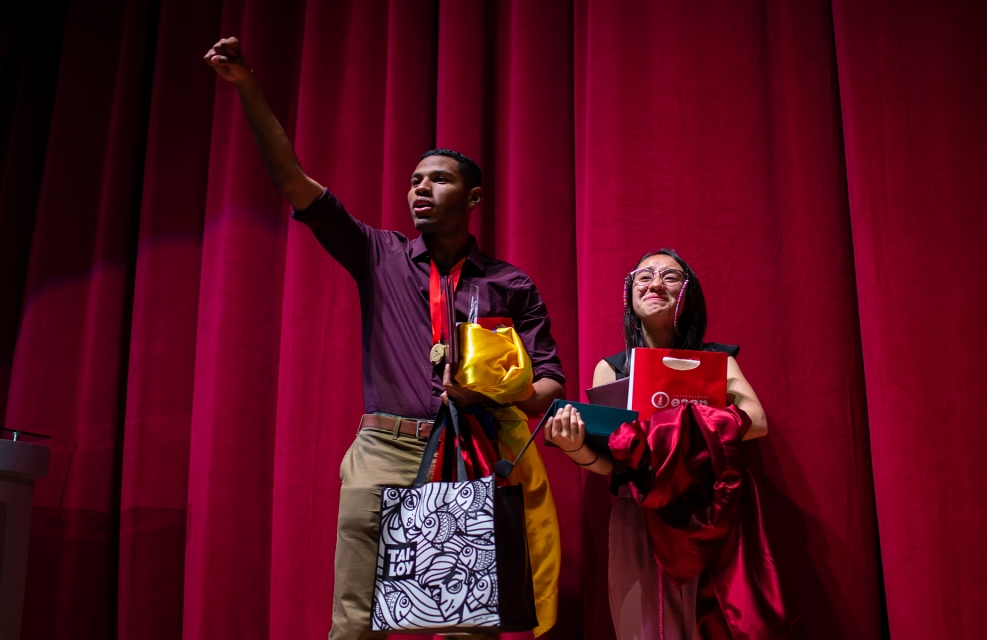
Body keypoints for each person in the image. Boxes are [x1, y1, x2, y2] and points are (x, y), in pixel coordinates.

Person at [204, 37, 567, 640]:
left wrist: (491, 393)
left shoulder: (510, 283)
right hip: (383, 451)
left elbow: (550, 387)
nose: (421, 189)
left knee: (467, 625)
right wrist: (247, 86)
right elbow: (292, 179)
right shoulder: (379, 255)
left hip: (470, 456)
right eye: (416, 180)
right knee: (354, 620)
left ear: (473, 199)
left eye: (440, 181)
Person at [544, 248, 772, 639]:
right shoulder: (612, 368)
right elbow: (607, 464)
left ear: (688, 294)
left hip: (705, 512)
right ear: (630, 293)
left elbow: (758, 421)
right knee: (643, 625)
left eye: (670, 276)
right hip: (637, 512)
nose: (655, 283)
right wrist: (572, 445)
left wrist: (672, 427)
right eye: (644, 275)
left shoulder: (715, 360)